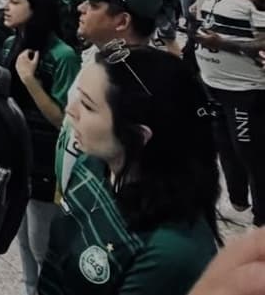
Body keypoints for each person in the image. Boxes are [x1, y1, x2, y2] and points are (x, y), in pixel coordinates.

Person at [39, 46, 220, 295]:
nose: (71, 111)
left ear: (138, 135)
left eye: (89, 106)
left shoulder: (171, 252)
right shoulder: (92, 162)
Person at [1, 0, 81, 295]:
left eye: (15, 1)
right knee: (20, 239)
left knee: (42, 245)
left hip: (47, 163)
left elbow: (64, 120)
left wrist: (30, 81)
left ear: (37, 9)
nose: (6, 7)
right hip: (17, 155)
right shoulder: (12, 44)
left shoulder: (62, 56)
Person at [56, 0, 163, 192]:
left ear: (122, 22)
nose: (80, 8)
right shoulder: (97, 55)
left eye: (93, 6)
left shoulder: (137, 87)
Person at [194, 0, 265, 225]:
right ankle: (237, 202)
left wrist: (223, 45)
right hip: (214, 85)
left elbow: (262, 41)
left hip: (245, 90)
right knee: (226, 149)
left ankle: (261, 217)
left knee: (252, 154)